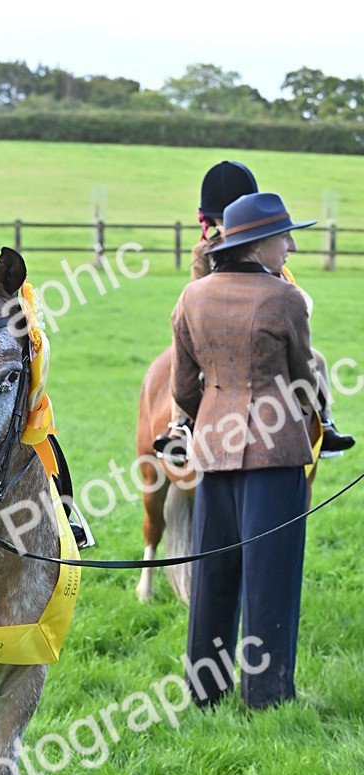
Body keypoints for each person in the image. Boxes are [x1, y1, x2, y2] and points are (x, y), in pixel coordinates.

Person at [170, 191, 321, 709]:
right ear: (258, 244)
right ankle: (268, 695)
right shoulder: (285, 299)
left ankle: (205, 691)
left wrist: (212, 416)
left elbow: (183, 388)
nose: (291, 246)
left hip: (213, 451)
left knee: (213, 575)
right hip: (275, 458)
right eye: (285, 237)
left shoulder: (192, 297)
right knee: (271, 578)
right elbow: (303, 379)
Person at [154, 160, 354, 464]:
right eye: (221, 219)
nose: (226, 225)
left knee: (319, 360)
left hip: (260, 332)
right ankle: (179, 428)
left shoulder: (263, 245)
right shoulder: (204, 253)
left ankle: (325, 423)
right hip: (216, 334)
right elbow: (195, 296)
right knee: (180, 367)